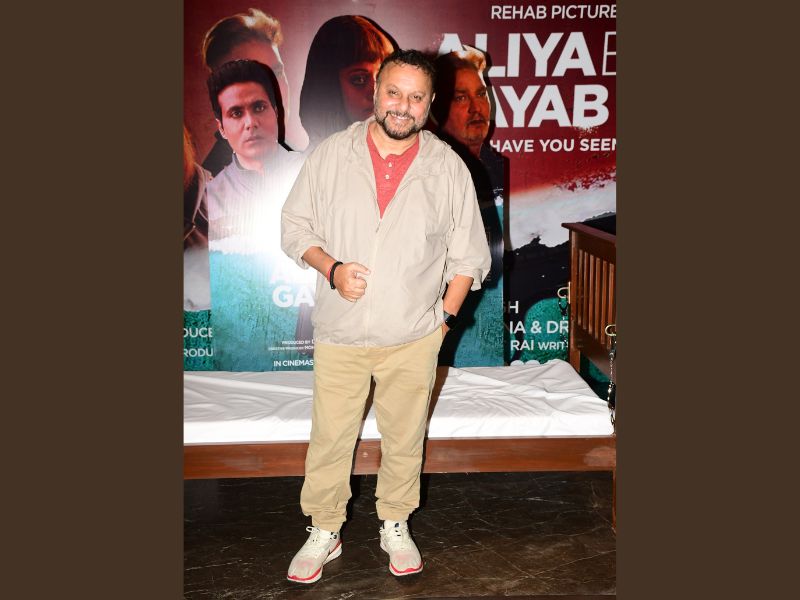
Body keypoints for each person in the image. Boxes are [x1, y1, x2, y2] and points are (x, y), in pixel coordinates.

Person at [281, 49, 491, 583]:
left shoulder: (447, 167)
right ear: (376, 91)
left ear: (430, 103)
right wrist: (332, 270)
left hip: (414, 337)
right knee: (330, 439)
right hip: (341, 334)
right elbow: (294, 227)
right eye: (394, 92)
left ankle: (395, 522)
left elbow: (469, 258)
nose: (403, 106)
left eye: (416, 97)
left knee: (404, 438)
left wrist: (443, 322)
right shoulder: (332, 155)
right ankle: (324, 530)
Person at [206, 59, 309, 370]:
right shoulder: (209, 201)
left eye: (259, 107)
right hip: (244, 357)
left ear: (276, 112)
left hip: (315, 348)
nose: (250, 122)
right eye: (236, 113)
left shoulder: (318, 175)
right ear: (222, 128)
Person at [432, 47, 506, 365]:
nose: (477, 108)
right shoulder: (427, 169)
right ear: (436, 107)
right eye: (461, 97)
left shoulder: (497, 169)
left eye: (481, 94)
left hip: (482, 331)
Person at [200, 8, 307, 175]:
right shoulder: (210, 184)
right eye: (254, 78)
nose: (274, 89)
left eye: (277, 73)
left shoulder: (305, 163)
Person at [298, 15, 395, 149]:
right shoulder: (315, 160)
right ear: (329, 88)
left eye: (382, 77)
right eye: (359, 79)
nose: (376, 93)